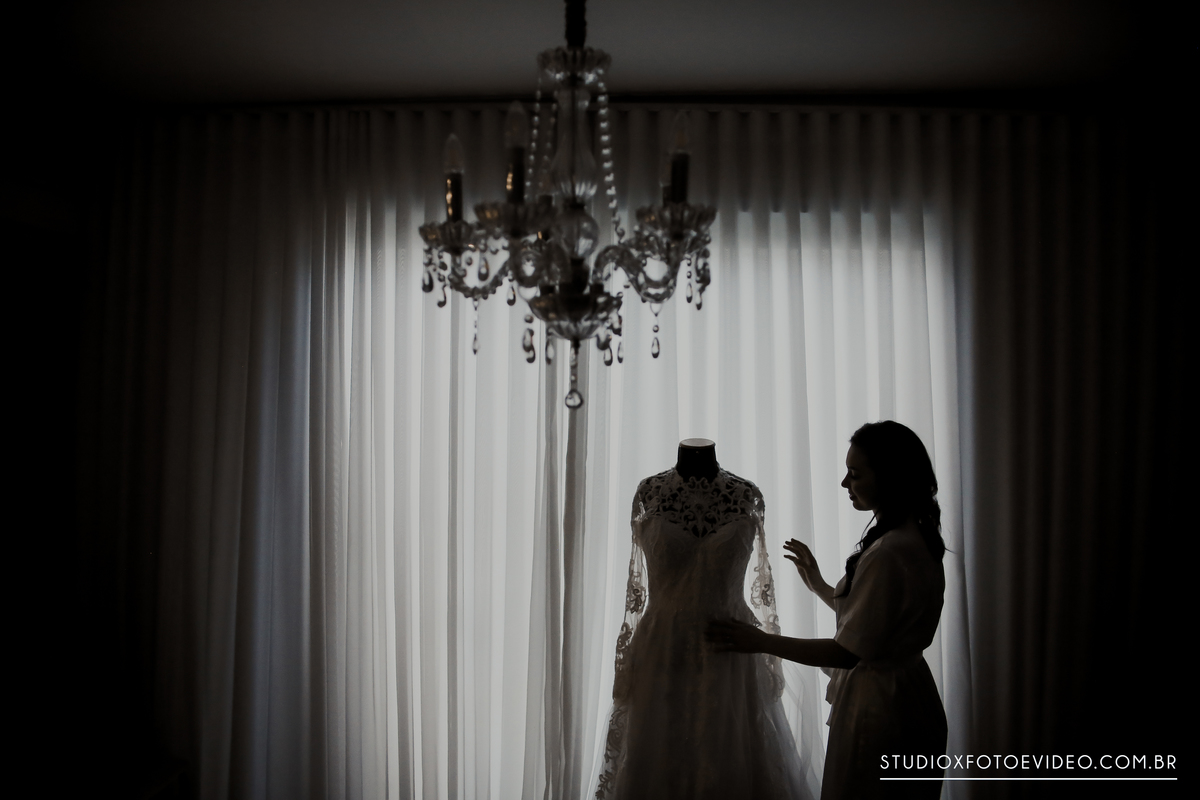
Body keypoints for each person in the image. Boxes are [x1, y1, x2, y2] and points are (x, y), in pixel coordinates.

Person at [707, 421, 948, 800]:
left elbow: (846, 652)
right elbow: (879, 623)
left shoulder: (888, 552)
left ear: (890, 477)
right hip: (913, 695)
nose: (844, 483)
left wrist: (760, 641)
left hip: (881, 711)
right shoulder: (917, 536)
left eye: (855, 474)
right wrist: (819, 585)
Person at [594, 439, 814, 800]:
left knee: (729, 751)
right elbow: (636, 584)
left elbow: (763, 581)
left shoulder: (747, 495)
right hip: (663, 648)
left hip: (730, 646)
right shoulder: (649, 493)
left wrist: (769, 647)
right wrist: (625, 657)